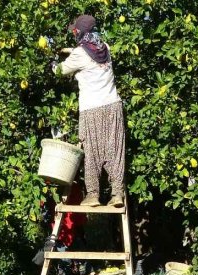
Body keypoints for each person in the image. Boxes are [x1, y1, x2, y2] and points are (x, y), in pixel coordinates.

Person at [54, 14, 126, 208]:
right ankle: (117, 193)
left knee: (92, 150)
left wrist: (53, 62)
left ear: (80, 32)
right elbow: (87, 49)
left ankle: (93, 194)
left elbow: (60, 70)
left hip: (92, 108)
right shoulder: (105, 48)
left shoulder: (79, 54)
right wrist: (71, 50)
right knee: (114, 150)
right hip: (113, 106)